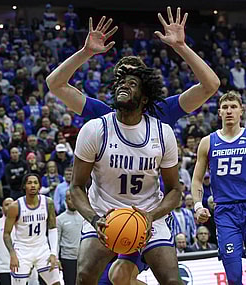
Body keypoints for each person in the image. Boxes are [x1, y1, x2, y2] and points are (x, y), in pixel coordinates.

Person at [47, 6, 220, 284]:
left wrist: (181, 47)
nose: (124, 82)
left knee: (128, 277)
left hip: (148, 214)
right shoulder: (100, 116)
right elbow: (55, 84)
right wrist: (86, 52)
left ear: (144, 87)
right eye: (120, 76)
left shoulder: (161, 116)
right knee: (113, 279)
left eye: (132, 76)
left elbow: (211, 84)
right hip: (107, 214)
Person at [191, 91, 246, 285]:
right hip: (225, 211)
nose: (229, 111)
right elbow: (197, 180)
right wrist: (198, 205)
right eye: (225, 107)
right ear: (219, 113)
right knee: (233, 276)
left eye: (233, 107)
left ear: (241, 111)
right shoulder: (207, 142)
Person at [3, 174, 60, 285]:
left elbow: (52, 228)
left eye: (35, 182)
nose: (33, 185)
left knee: (56, 283)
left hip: (42, 249)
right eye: (29, 183)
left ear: (39, 186)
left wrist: (53, 253)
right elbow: (6, 234)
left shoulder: (48, 203)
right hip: (22, 251)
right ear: (24, 186)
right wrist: (12, 254)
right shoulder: (15, 207)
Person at [57, 190, 84, 285]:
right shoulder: (60, 219)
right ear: (65, 200)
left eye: (73, 198)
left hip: (83, 258)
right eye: (69, 198)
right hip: (67, 258)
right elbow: (56, 240)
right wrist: (57, 259)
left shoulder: (84, 217)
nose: (72, 201)